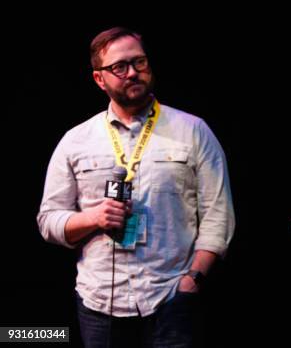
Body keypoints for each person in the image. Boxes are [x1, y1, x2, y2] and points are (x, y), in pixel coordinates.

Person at [37, 27, 235, 348]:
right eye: (119, 67)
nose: (132, 73)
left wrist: (193, 279)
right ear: (99, 79)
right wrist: (93, 218)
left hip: (171, 298)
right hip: (99, 302)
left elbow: (218, 214)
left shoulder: (193, 131)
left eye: (139, 62)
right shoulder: (75, 141)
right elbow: (49, 220)